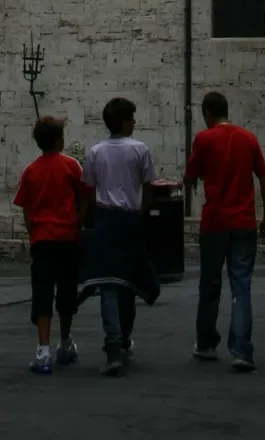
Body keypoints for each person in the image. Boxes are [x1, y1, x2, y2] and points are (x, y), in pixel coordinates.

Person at [185, 89, 265, 372]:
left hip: (214, 222)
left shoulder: (203, 139)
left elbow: (190, 176)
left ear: (207, 113)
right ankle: (241, 350)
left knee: (210, 284)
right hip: (244, 222)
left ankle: (206, 343)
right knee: (241, 286)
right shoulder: (248, 138)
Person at [80, 96, 160, 377]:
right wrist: (141, 210)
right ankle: (123, 339)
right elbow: (149, 186)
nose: (135, 122)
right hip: (130, 218)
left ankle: (113, 347)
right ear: (125, 122)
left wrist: (90, 219)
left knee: (108, 285)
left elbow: (89, 189)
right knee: (128, 282)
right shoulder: (140, 149)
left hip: (105, 219)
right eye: (132, 118)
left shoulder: (95, 152)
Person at [13, 115, 84, 375]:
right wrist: (78, 224)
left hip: (42, 238)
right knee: (67, 292)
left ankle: (43, 351)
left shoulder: (31, 170)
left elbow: (25, 206)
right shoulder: (72, 166)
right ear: (59, 141)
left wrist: (33, 230)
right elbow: (84, 198)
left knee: (42, 292)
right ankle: (64, 343)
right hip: (67, 237)